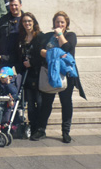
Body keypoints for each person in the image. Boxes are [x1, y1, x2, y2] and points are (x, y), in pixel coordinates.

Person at [31, 11, 86, 143]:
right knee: (46, 103)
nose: (59, 24)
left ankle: (65, 132)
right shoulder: (47, 36)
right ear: (53, 23)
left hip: (66, 75)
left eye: (62, 22)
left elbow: (67, 48)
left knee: (66, 103)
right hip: (50, 74)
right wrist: (55, 53)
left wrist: (60, 35)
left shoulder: (70, 35)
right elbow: (40, 51)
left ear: (66, 24)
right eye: (57, 22)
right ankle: (41, 129)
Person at [15, 12, 44, 135]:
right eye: (25, 21)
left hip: (38, 74)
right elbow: (18, 56)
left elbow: (43, 56)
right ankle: (33, 127)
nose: (27, 23)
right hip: (26, 75)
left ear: (34, 22)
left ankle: (40, 127)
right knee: (30, 103)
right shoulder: (21, 38)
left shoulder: (40, 37)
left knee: (40, 101)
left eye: (29, 21)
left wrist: (32, 62)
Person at [0, 0, 23, 69]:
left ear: (20, 5)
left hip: (20, 56)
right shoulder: (3, 19)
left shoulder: (26, 19)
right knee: (4, 78)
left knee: (21, 79)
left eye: (16, 5)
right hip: (5, 56)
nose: (13, 7)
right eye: (11, 5)